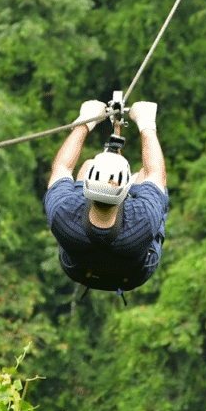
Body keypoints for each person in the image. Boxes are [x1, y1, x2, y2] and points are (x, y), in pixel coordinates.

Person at [44, 99, 168, 297]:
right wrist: (146, 124)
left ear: (88, 186)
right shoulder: (142, 218)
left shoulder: (64, 212)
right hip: (133, 275)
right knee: (146, 176)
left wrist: (85, 122)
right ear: (125, 191)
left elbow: (62, 167)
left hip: (80, 271)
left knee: (87, 165)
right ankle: (133, 182)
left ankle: (106, 178)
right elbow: (156, 173)